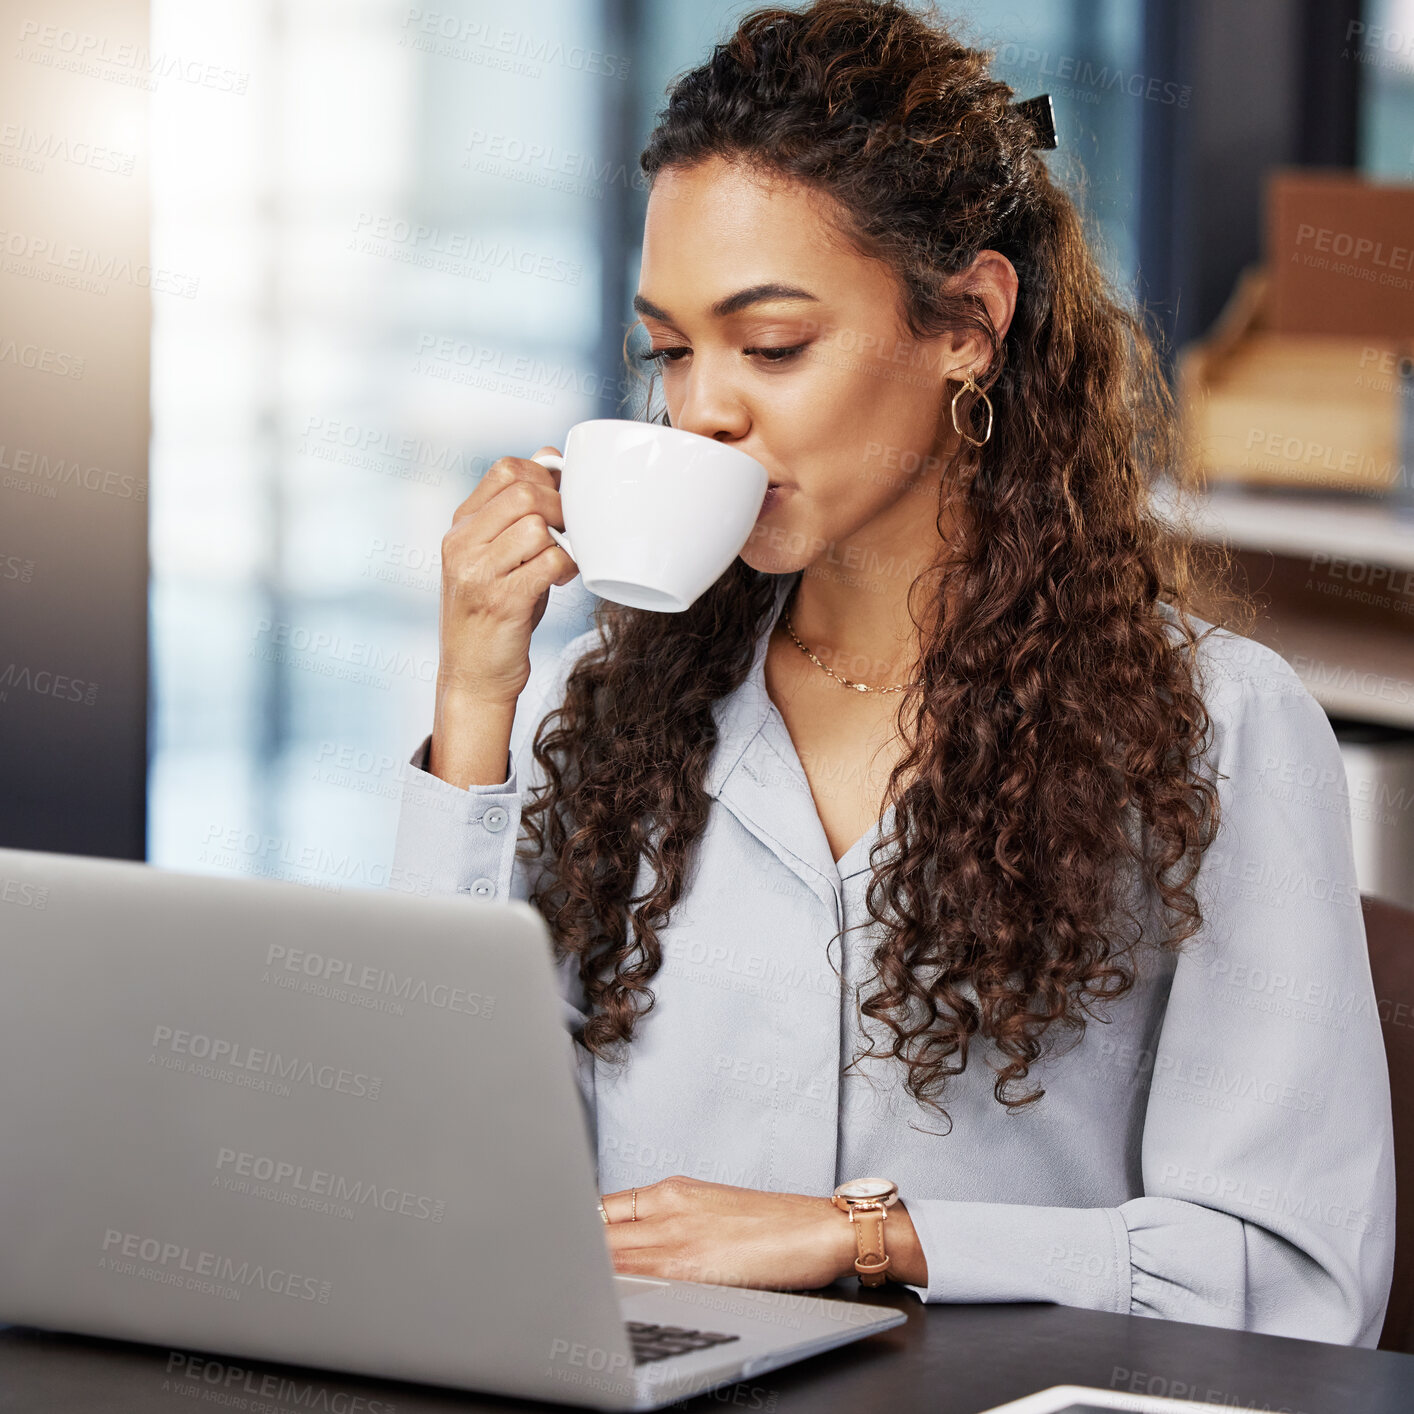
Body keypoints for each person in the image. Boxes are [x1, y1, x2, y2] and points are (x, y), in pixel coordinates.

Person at [393, 0, 1396, 1345]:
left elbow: (1290, 1276)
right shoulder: (607, 711)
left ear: (968, 323)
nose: (702, 409)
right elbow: (437, 1178)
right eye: (670, 350)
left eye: (772, 345)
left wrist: (862, 1235)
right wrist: (471, 706)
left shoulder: (1212, 730)